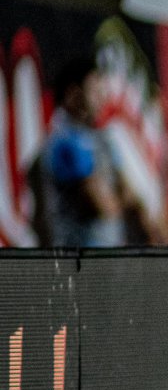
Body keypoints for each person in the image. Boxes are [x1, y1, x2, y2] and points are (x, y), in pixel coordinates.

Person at [32, 56, 125, 247]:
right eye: (95, 90)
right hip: (77, 263)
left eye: (102, 90)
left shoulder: (99, 136)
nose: (102, 98)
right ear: (73, 94)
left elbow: (125, 191)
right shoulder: (64, 141)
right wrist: (128, 204)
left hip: (105, 257)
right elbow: (102, 205)